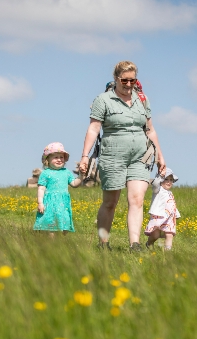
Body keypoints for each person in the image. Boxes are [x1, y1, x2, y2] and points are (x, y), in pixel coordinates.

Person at [79, 61, 166, 252]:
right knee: (110, 202)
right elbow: (94, 128)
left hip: (141, 156)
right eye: (124, 80)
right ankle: (103, 243)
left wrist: (160, 155)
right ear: (116, 79)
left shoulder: (142, 99)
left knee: (136, 199)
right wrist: (85, 156)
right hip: (113, 155)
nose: (128, 84)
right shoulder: (103, 100)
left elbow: (150, 130)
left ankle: (134, 244)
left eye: (132, 80)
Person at [34, 142, 83, 236]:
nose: (59, 160)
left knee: (65, 223)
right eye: (56, 157)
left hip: (63, 203)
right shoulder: (45, 173)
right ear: (47, 159)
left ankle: (62, 242)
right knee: (51, 224)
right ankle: (51, 244)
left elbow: (74, 183)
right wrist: (40, 203)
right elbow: (41, 189)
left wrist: (81, 175)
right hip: (50, 204)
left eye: (61, 157)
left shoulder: (66, 172)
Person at [145, 168, 180, 251]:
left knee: (169, 234)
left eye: (171, 180)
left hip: (169, 219)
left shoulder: (170, 193)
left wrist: (177, 214)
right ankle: (149, 244)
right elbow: (155, 183)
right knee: (155, 235)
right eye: (166, 179)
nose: (169, 182)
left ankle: (168, 252)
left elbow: (172, 205)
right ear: (161, 180)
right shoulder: (158, 190)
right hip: (158, 216)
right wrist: (160, 176)